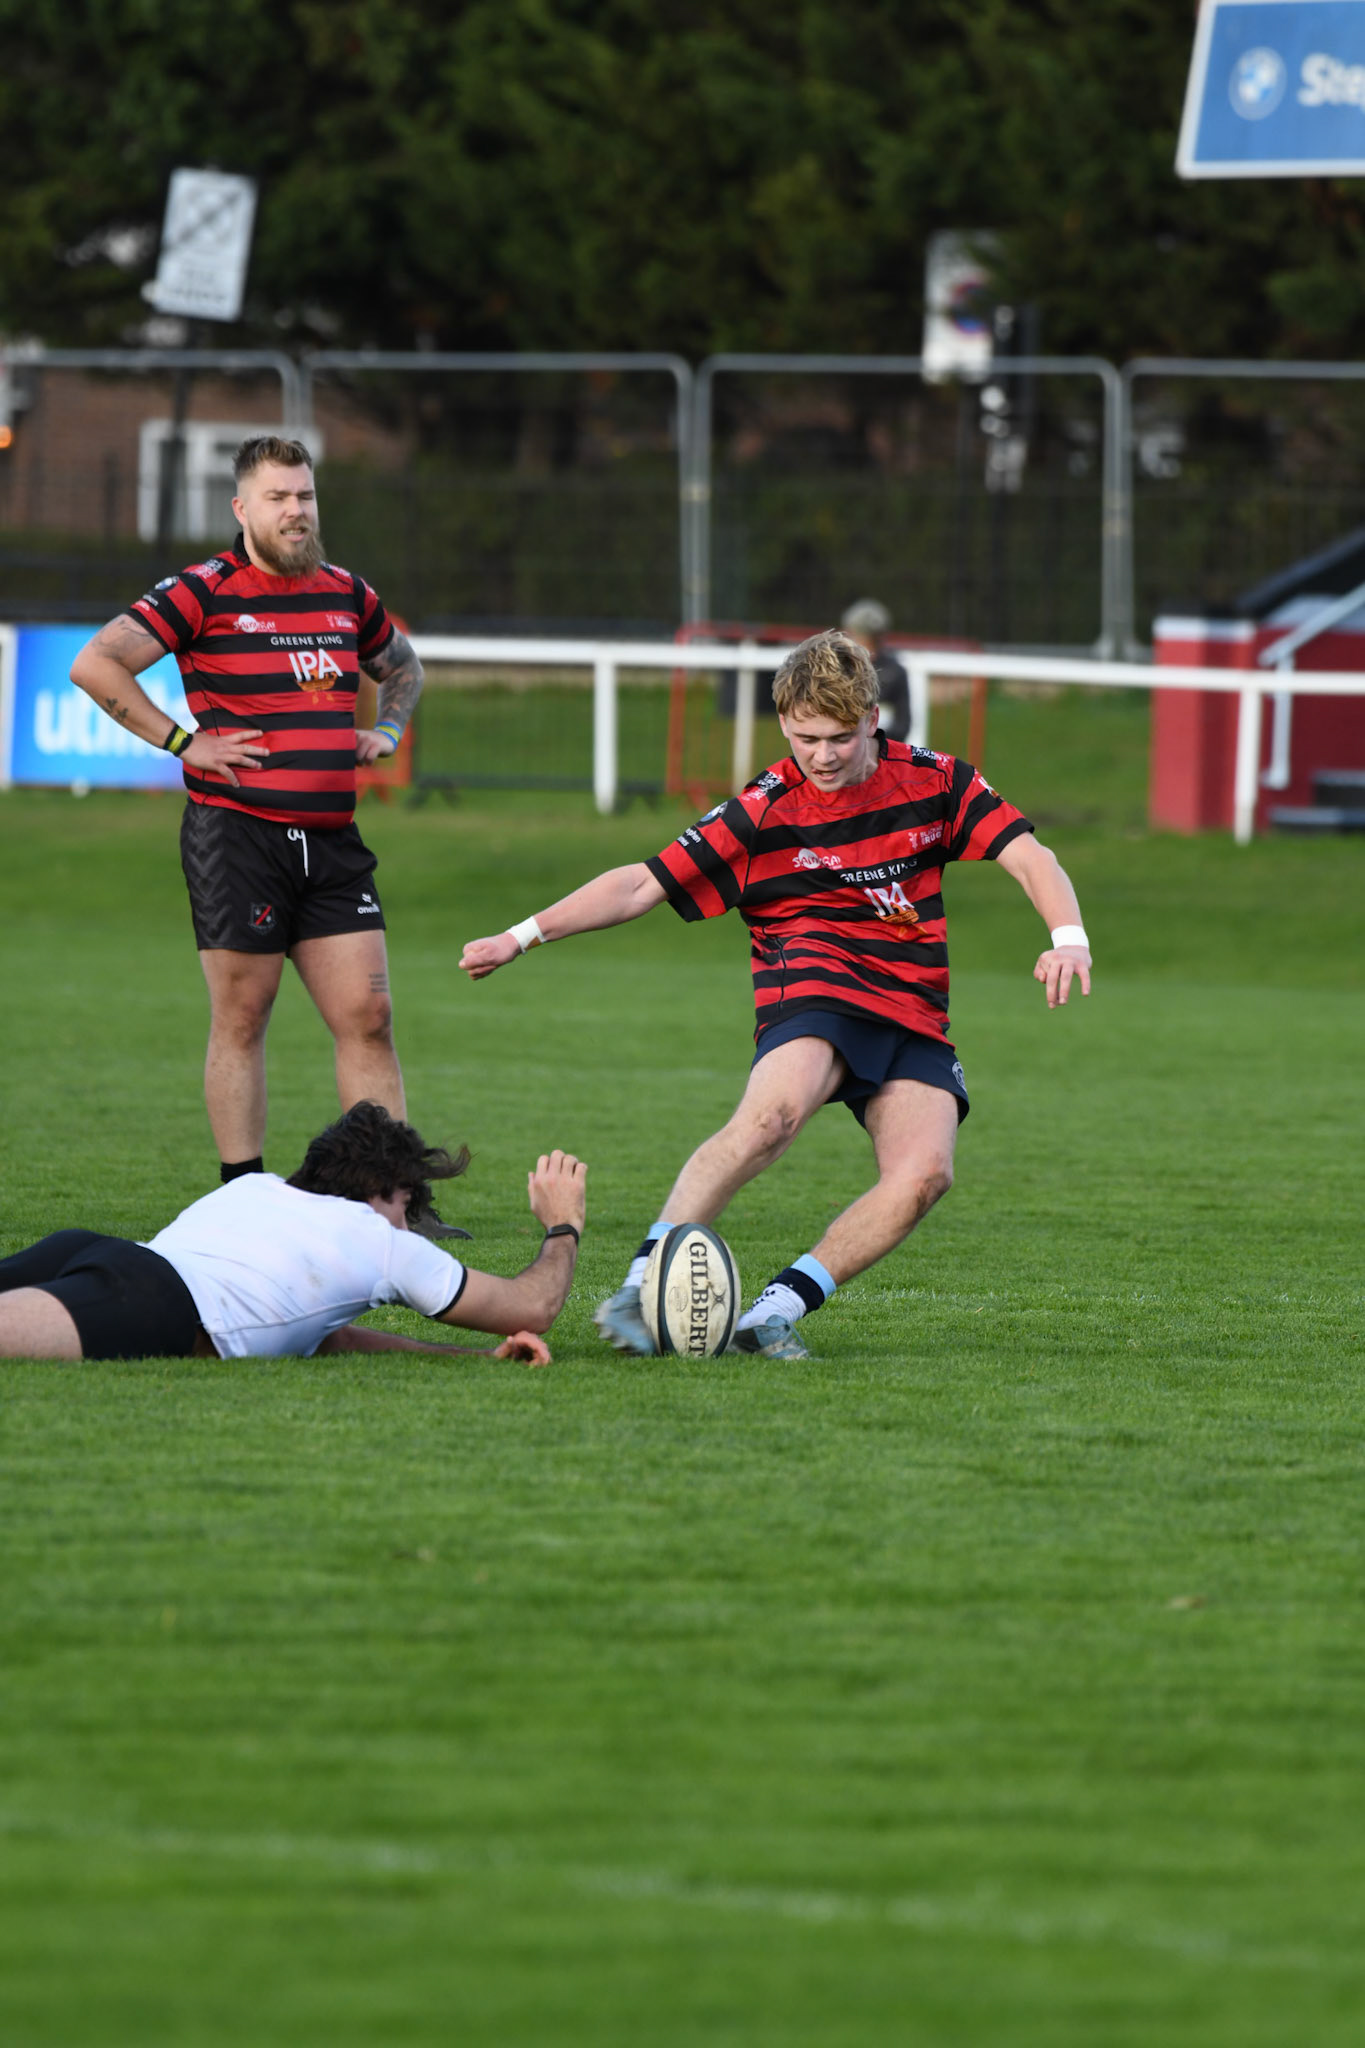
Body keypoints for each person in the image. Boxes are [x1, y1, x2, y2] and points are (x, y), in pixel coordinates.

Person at [459, 629, 1092, 1361]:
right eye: (803, 738)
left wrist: (1066, 937)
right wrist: (521, 935)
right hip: (814, 988)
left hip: (912, 1009)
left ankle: (771, 1311)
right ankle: (642, 1284)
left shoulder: (936, 781)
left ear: (873, 720)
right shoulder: (764, 810)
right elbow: (639, 883)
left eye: (839, 738)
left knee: (924, 1176)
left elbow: (1029, 857)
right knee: (771, 1118)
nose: (821, 756)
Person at [67, 436, 451, 1223]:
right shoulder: (202, 591)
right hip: (238, 838)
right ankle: (243, 1200)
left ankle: (392, 1203)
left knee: (370, 1019)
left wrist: (390, 731)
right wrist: (184, 742)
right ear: (243, 508)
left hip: (333, 843)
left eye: (304, 496)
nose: (295, 511)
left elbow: (403, 667)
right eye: (278, 498)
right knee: (243, 1017)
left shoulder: (346, 592)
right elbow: (97, 663)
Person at [0, 1103, 586, 1364]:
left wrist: (479, 1356)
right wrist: (563, 1223)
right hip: (150, 1299)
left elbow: (332, 1339)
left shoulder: (255, 1191)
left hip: (94, 1252)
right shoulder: (381, 1240)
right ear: (385, 1188)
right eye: (409, 1206)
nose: (410, 1227)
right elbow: (533, 1305)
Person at [841, 597, 911, 742]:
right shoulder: (838, 667)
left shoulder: (895, 672)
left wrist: (873, 741)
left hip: (881, 748)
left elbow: (903, 723)